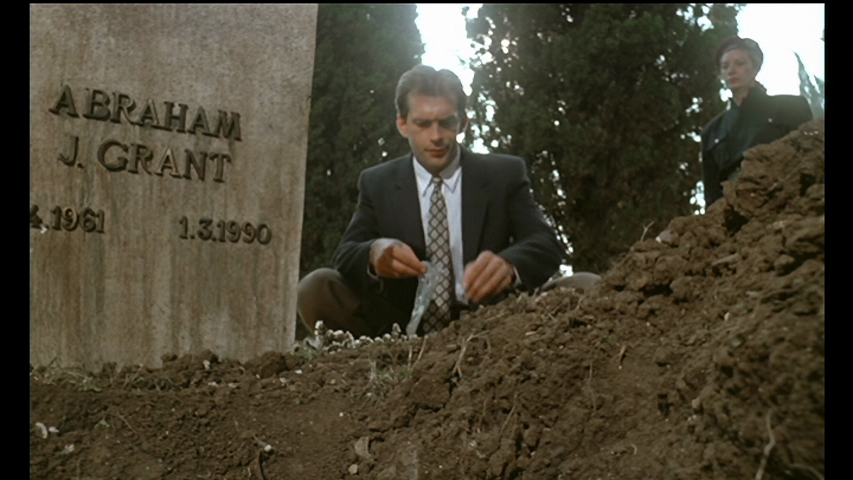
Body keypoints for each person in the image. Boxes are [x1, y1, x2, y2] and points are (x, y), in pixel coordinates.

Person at [297, 65, 597, 338]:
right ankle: (380, 361)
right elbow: (346, 254)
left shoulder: (503, 174)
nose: (436, 136)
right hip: (398, 330)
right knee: (315, 288)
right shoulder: (378, 182)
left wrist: (510, 265)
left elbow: (545, 242)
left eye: (446, 123)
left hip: (496, 327)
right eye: (423, 124)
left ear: (463, 122)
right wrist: (375, 254)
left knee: (588, 287)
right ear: (402, 124)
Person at [701, 36, 813, 206]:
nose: (731, 70)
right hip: (735, 210)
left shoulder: (790, 107)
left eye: (740, 63)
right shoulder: (712, 131)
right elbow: (712, 196)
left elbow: (810, 159)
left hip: (786, 202)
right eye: (725, 66)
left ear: (755, 68)